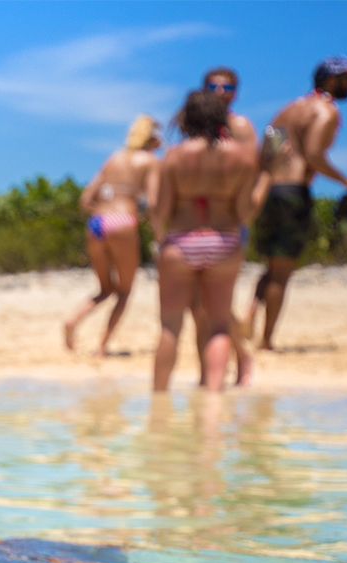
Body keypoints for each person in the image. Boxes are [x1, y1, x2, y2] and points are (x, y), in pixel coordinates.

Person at [243, 57, 347, 352]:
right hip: (294, 192)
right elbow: (314, 155)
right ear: (331, 80)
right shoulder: (326, 110)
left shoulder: (287, 110)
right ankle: (266, 340)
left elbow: (266, 154)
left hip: (270, 191)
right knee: (282, 273)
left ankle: (249, 315)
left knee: (271, 265)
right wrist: (345, 181)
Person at [151, 91, 260, 394]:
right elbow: (244, 213)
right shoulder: (243, 156)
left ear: (186, 117)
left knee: (170, 326)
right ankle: (213, 401)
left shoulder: (174, 155)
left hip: (181, 242)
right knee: (220, 326)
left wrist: (162, 238)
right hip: (224, 241)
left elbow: (160, 210)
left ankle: (158, 406)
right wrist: (267, 178)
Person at [63, 114, 161, 355]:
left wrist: (105, 210)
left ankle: (72, 321)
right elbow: (155, 203)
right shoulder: (149, 161)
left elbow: (86, 199)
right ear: (152, 138)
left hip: (97, 222)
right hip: (123, 221)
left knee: (106, 288)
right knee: (125, 290)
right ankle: (102, 345)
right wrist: (160, 236)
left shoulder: (113, 158)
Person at [191, 67, 261, 384]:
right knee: (198, 300)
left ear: (236, 91)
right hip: (195, 221)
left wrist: (245, 213)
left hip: (231, 219)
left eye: (227, 86)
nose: (220, 91)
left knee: (215, 298)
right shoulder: (195, 128)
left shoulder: (240, 126)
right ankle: (209, 370)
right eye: (213, 86)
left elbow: (257, 169)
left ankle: (242, 357)